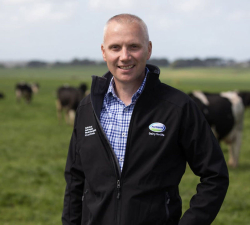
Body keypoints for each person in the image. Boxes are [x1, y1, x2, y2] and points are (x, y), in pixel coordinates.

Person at [62, 14, 229, 225]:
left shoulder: (178, 107)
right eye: (115, 47)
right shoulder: (88, 108)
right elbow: (75, 180)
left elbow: (215, 175)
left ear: (148, 49)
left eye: (133, 46)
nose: (124, 56)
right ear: (104, 52)